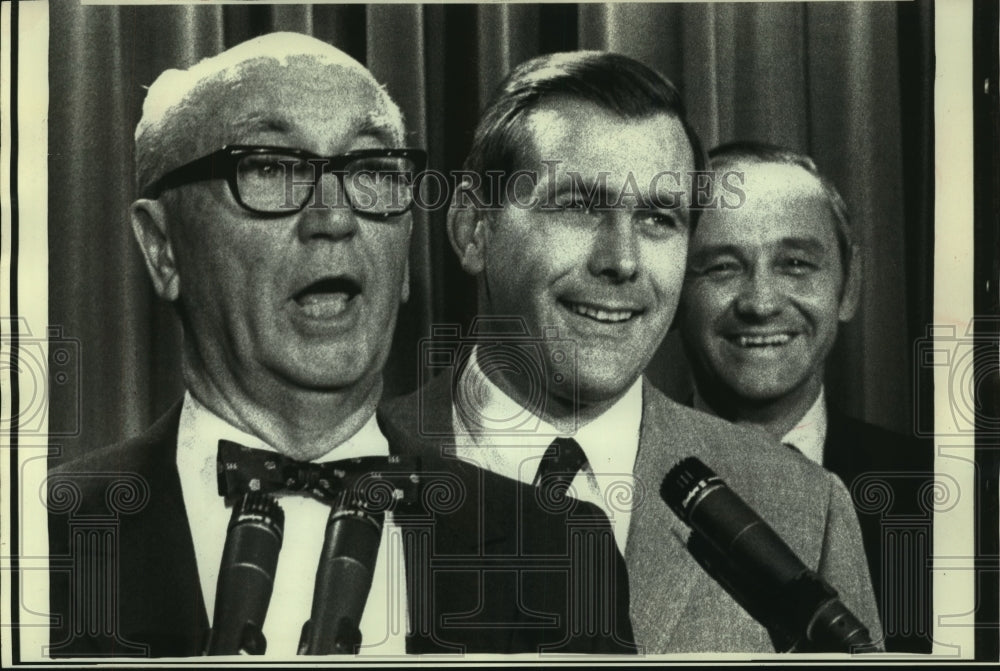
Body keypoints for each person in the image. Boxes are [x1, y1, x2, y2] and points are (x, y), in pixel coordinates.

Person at [47, 32, 634, 658]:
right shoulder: (40, 537)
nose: (334, 217)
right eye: (271, 168)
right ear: (163, 249)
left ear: (407, 252)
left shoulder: (557, 550)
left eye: (370, 172)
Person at [381, 51, 883, 653]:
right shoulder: (363, 462)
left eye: (657, 218)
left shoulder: (803, 506)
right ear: (472, 228)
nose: (620, 261)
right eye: (577, 207)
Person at [677, 141, 934, 652]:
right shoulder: (612, 489)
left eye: (795, 263)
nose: (760, 303)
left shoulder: (943, 495)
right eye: (721, 267)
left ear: (849, 284)